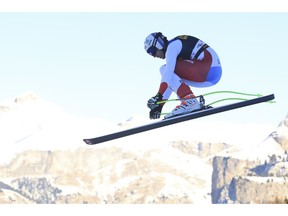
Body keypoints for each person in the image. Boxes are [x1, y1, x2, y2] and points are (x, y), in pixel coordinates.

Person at [144, 32, 222, 119]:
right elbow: (171, 81)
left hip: (208, 67)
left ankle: (190, 101)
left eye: (152, 51)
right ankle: (189, 101)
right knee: (171, 76)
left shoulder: (172, 46)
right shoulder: (174, 48)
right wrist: (160, 105)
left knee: (164, 69)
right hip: (211, 75)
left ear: (159, 44)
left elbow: (168, 72)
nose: (154, 56)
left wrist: (159, 95)